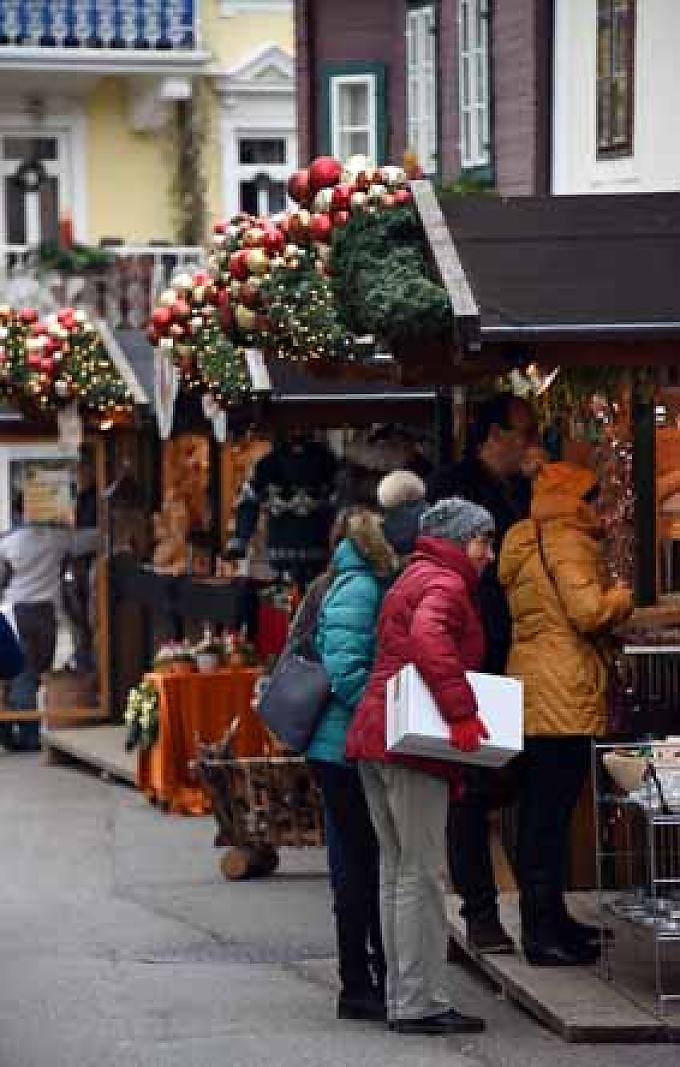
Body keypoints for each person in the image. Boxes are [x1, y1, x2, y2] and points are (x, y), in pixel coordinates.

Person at [346, 497, 495, 1036]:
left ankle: (404, 996)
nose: (489, 554)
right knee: (422, 875)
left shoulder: (413, 575)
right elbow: (429, 637)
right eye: (483, 540)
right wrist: (461, 712)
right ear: (459, 540)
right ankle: (420, 1002)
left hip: (377, 736)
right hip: (410, 745)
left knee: (398, 872)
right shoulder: (446, 583)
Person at [499, 462, 633, 966]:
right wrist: (624, 595)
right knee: (549, 817)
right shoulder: (568, 542)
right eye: (592, 497)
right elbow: (588, 612)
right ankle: (544, 935)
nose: (597, 507)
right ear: (574, 497)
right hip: (564, 689)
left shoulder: (523, 538)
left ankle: (550, 922)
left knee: (541, 815)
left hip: (533, 684)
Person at [428, 392, 541, 954]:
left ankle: (534, 908)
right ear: (494, 435)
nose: (530, 444)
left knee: (519, 779)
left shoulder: (527, 489)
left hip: (521, 649)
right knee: (470, 788)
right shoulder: (453, 486)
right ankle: (479, 912)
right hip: (475, 656)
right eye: (522, 433)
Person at [306, 507, 397, 1021]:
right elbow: (344, 668)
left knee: (354, 862)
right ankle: (362, 982)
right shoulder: (359, 587)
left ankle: (362, 981)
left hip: (337, 747)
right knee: (363, 863)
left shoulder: (339, 582)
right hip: (344, 747)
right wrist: (385, 713)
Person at [0, 520, 98, 751]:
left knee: (21, 674)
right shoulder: (54, 539)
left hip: (16, 612)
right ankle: (27, 732)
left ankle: (21, 730)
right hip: (46, 614)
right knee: (34, 673)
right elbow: (90, 539)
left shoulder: (7, 543)